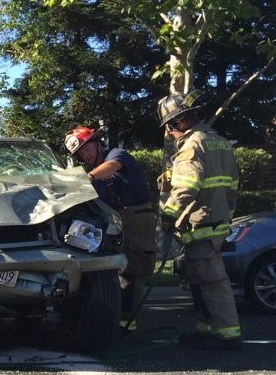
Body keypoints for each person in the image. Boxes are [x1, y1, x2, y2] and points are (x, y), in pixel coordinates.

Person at [157, 90, 242, 350]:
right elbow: (233, 187)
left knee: (213, 280)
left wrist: (168, 216)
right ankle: (208, 329)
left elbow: (186, 187)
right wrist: (225, 216)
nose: (170, 132)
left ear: (180, 121)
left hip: (200, 222)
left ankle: (227, 334)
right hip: (215, 221)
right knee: (202, 279)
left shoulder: (192, 146)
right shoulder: (221, 143)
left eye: (170, 126)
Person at [65, 126, 156, 331]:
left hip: (138, 217)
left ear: (97, 144)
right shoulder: (93, 175)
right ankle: (114, 320)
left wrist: (88, 178)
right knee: (111, 267)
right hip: (113, 220)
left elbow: (112, 166)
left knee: (135, 268)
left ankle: (126, 323)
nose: (85, 155)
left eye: (87, 149)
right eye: (81, 153)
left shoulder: (116, 155)